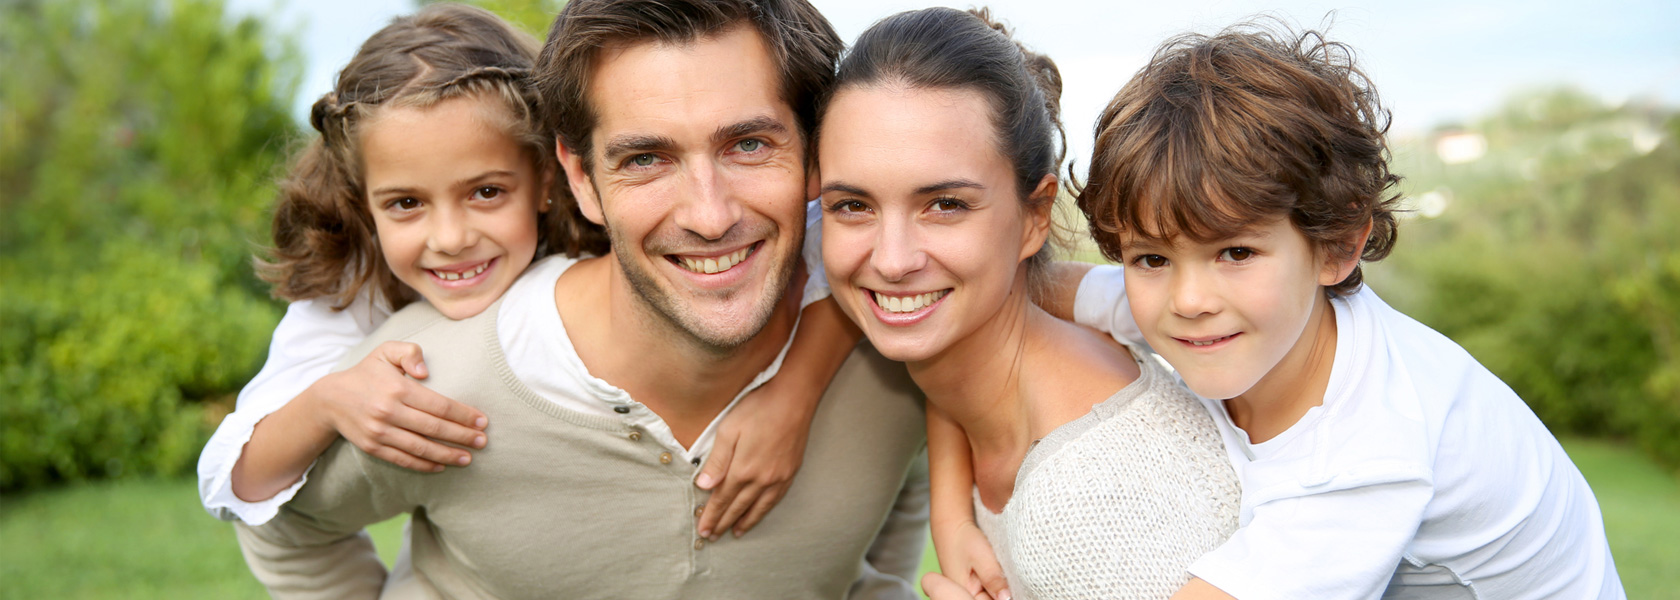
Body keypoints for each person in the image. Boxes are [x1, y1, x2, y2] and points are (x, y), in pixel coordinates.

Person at [232, 1, 929, 598]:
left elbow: (900, 486)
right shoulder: (424, 384)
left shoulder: (898, 346)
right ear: (580, 177)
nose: (710, 215)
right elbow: (283, 525)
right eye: (645, 158)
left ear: (817, 153)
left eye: (748, 144)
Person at [1072, 22, 1624, 598]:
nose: (1188, 301)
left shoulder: (1370, 443)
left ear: (1336, 247)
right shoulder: (1229, 317)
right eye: (1152, 259)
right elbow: (1040, 292)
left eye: (1236, 252)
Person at [817, 8, 1240, 600]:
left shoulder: (1092, 503)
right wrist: (951, 511)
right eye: (852, 205)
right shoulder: (988, 377)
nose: (891, 260)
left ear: (1034, 217)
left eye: (945, 204)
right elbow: (951, 388)